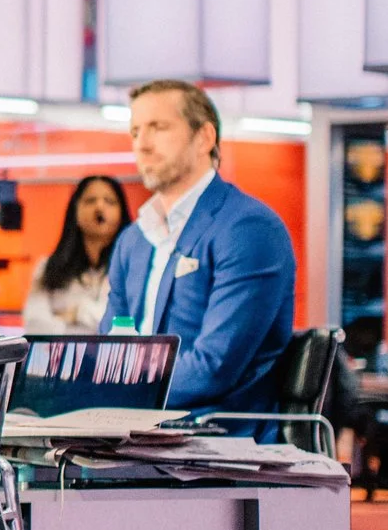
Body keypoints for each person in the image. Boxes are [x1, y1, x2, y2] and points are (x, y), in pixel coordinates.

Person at [103, 80, 296, 415]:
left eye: (158, 128)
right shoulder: (133, 240)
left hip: (215, 443)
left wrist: (119, 393)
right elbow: (107, 353)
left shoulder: (248, 229)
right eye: (135, 132)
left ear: (204, 138)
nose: (142, 145)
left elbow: (213, 368)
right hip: (131, 437)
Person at [24, 175, 129, 333]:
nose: (99, 207)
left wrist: (77, 313)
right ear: (75, 211)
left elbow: (124, 323)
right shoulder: (49, 267)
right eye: (90, 200)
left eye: (109, 201)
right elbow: (34, 324)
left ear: (122, 212)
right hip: (62, 356)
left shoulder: (131, 267)